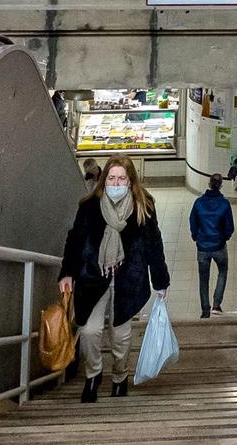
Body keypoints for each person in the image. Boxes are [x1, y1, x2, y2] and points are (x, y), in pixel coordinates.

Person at [59, 156, 169, 401]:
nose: (116, 183)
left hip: (128, 280)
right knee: (88, 331)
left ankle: (120, 377)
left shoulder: (144, 205)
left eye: (121, 178)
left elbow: (154, 244)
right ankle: (93, 375)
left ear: (130, 181)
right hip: (92, 278)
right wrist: (67, 271)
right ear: (103, 179)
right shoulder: (90, 206)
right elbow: (75, 239)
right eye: (111, 178)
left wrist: (160, 280)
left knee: (120, 336)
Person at [188, 173, 236, 318]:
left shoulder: (198, 203)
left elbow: (192, 222)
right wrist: (224, 238)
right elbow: (229, 227)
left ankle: (205, 310)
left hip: (202, 247)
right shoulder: (224, 204)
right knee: (223, 271)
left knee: (203, 279)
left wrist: (196, 237)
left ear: (209, 184)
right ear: (221, 186)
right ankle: (216, 304)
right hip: (219, 246)